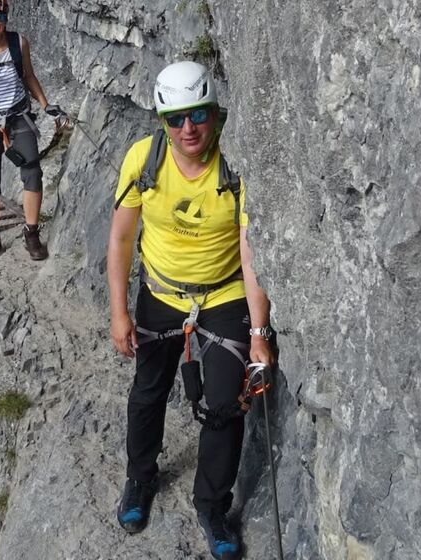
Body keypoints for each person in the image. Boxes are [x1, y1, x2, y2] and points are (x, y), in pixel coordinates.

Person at [106, 61, 275, 560]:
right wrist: (119, 311)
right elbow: (120, 237)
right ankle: (140, 477)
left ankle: (212, 505)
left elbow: (252, 252)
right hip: (160, 291)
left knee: (225, 403)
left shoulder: (235, 166)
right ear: (162, 120)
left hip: (223, 296)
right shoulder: (145, 159)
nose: (188, 129)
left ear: (214, 113)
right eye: (176, 118)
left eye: (197, 115)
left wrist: (260, 331)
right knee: (148, 391)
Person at [0, 0, 65, 261]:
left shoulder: (19, 43)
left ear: (5, 16)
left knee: (32, 172)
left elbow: (28, 75)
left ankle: (31, 233)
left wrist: (46, 104)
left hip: (18, 116)